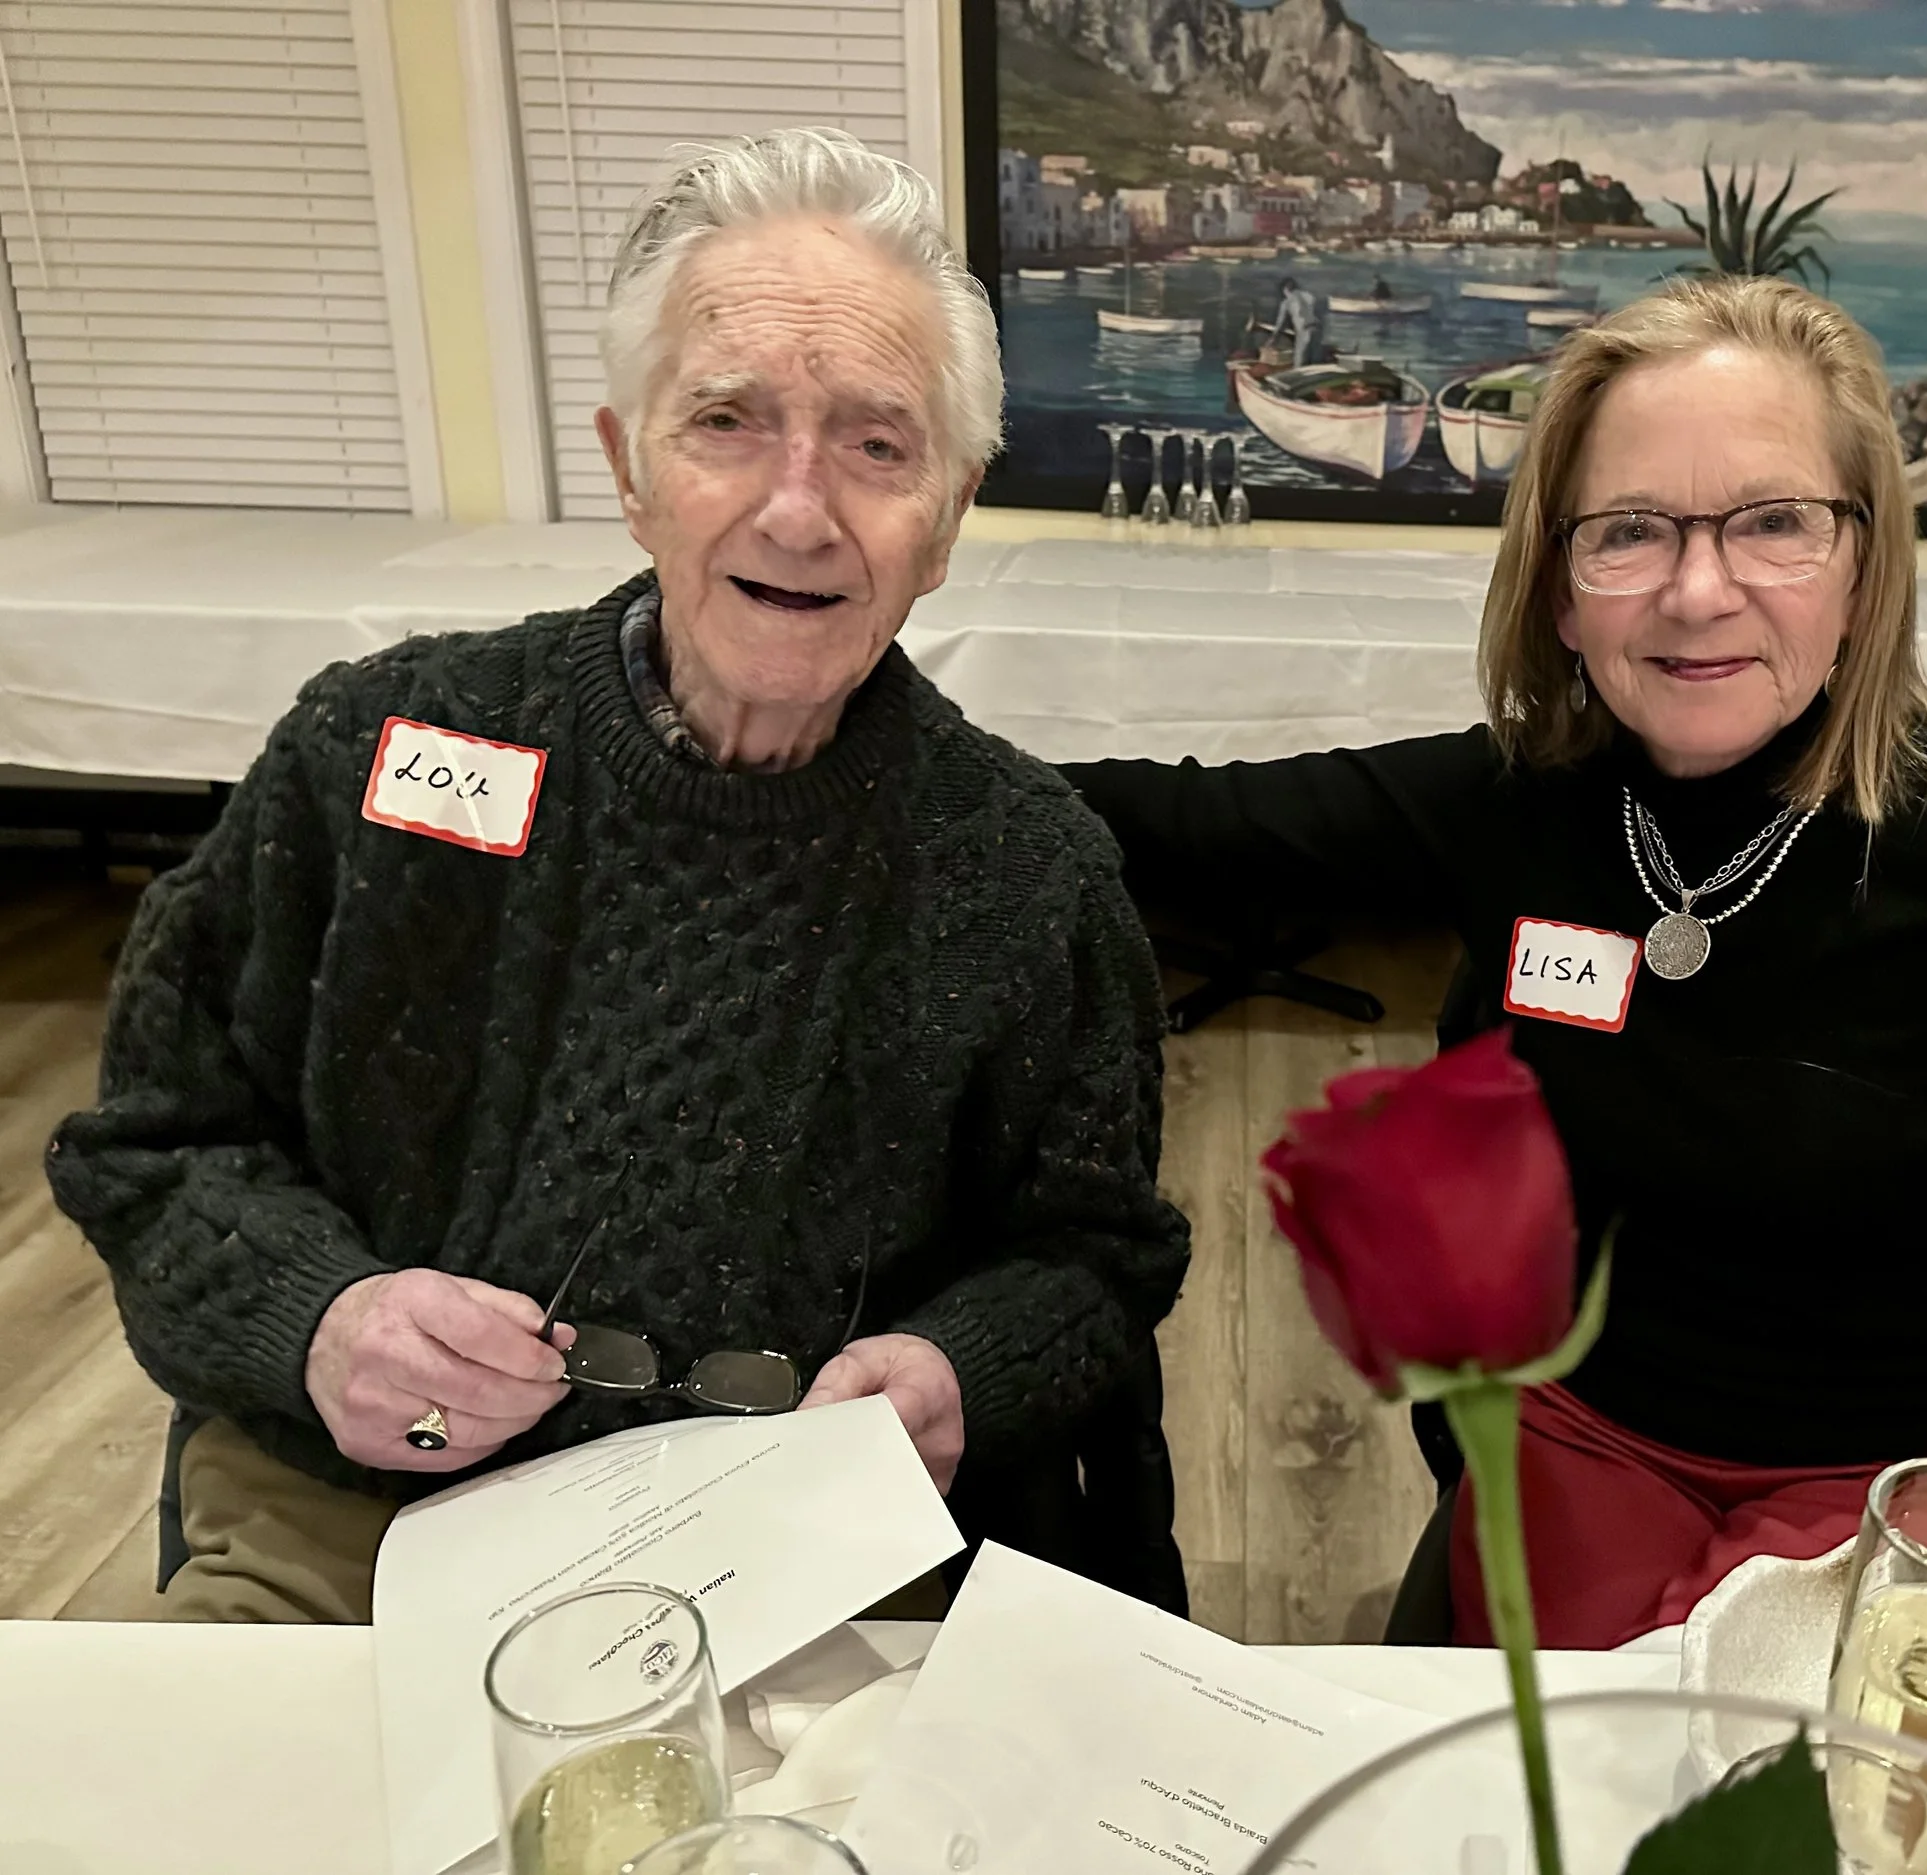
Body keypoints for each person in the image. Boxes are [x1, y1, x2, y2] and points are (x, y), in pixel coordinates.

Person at [1063, 276, 1927, 1649]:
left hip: (1920, 1468)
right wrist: (855, 733)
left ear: (1862, 570)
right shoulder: (1522, 802)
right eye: (1628, 532)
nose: (1697, 589)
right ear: (1561, 590)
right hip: (1601, 1437)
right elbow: (1184, 820)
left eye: (1776, 521)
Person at [47, 128, 1191, 1624]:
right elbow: (152, 1142)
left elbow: (1097, 1259)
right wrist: (317, 1315)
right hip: (364, 1512)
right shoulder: (378, 749)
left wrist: (962, 1369)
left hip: (805, 1543)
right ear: (627, 465)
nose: (798, 507)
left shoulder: (1027, 871)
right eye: (726, 419)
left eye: (877, 443)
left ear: (950, 516)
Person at [1274, 275, 1324, 366]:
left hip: (1304, 331)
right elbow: (1319, 313)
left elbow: (1280, 324)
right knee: (1315, 363)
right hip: (1318, 330)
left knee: (1299, 363)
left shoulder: (1287, 302)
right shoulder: (1309, 295)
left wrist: (1273, 339)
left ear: (1285, 289)